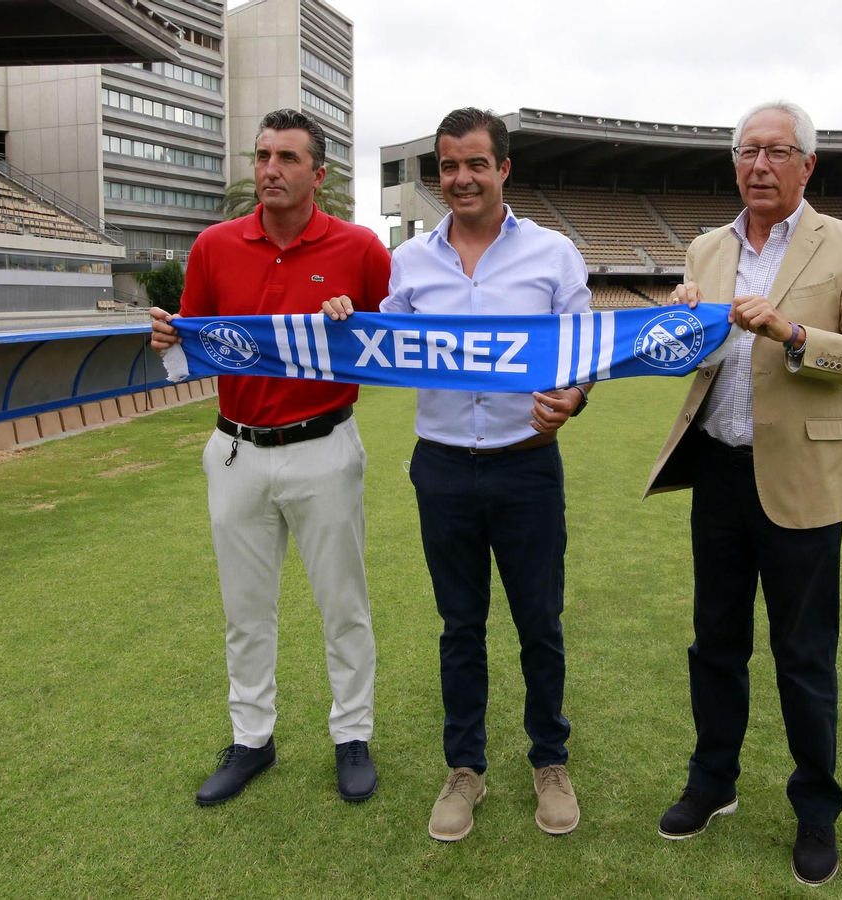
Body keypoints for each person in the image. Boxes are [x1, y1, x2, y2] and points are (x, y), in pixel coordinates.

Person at [643, 99, 842, 886]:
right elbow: (698, 359)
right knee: (714, 642)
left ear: (806, 165)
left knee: (803, 655)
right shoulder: (705, 247)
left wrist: (790, 334)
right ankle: (712, 781)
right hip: (717, 469)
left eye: (777, 151)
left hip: (803, 480)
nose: (760, 164)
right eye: (748, 150)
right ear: (734, 163)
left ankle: (816, 808)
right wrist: (685, 327)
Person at [322, 107, 590, 842]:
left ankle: (550, 761)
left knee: (540, 622)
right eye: (447, 166)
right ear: (436, 174)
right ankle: (464, 770)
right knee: (459, 628)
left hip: (528, 468)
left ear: (504, 169)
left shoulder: (554, 254)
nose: (461, 178)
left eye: (475, 163)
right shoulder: (411, 262)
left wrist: (574, 394)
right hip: (440, 467)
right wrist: (348, 318)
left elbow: (584, 353)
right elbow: (384, 346)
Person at [150, 109, 392, 807]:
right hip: (235, 451)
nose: (270, 170)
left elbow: (394, 338)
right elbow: (187, 340)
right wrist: (166, 334)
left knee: (343, 604)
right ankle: (251, 739)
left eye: (287, 157)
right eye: (261, 156)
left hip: (325, 447)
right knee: (244, 610)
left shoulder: (360, 248)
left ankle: (352, 734)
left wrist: (360, 323)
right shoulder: (214, 247)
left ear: (318, 174)